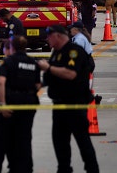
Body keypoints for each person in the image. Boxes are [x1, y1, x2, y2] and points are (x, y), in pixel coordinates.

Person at [37, 25, 99, 173]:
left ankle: (92, 169)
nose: (47, 39)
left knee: (83, 142)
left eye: (49, 36)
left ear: (58, 36)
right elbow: (50, 77)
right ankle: (64, 169)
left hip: (75, 105)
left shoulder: (73, 51)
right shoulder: (57, 52)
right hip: (59, 105)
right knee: (60, 143)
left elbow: (71, 74)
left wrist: (48, 68)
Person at [0, 35, 41, 173]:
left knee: (0, 141)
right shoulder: (32, 62)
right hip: (28, 106)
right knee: (24, 140)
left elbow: (1, 83)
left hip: (10, 104)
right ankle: (25, 169)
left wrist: (3, 104)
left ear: (12, 47)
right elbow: (37, 85)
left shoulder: (8, 62)